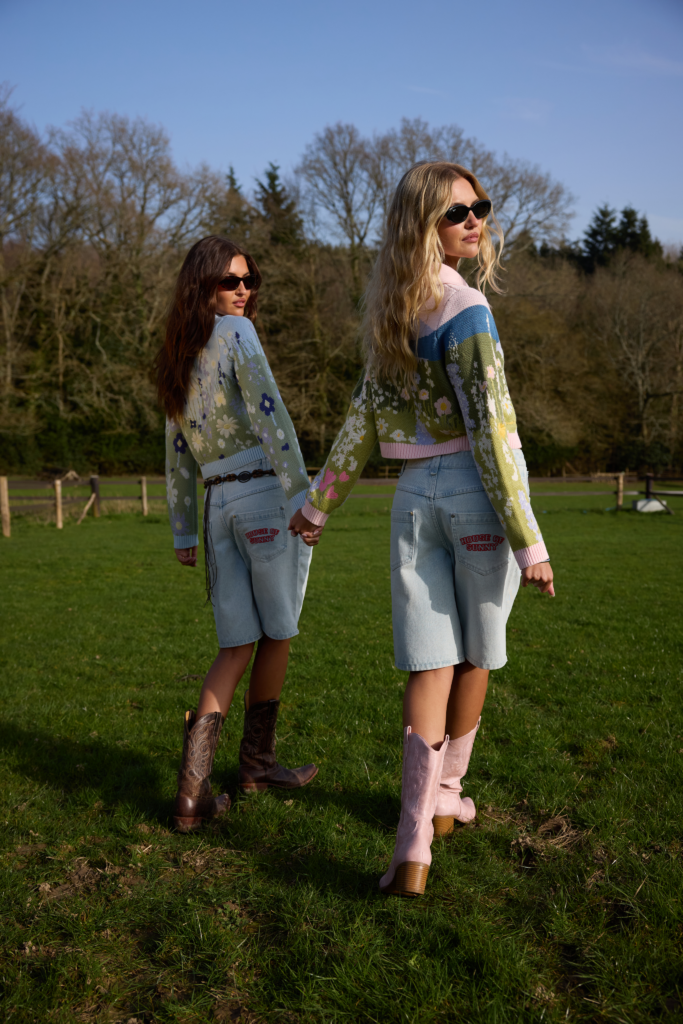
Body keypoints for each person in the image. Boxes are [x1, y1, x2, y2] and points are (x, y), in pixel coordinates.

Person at [289, 162, 554, 896]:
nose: (475, 222)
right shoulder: (467, 309)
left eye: (480, 208)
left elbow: (360, 423)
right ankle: (445, 798)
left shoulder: (391, 314)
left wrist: (318, 504)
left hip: (411, 500)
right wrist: (529, 541)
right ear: (423, 226)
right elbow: (491, 432)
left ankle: (413, 846)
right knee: (475, 656)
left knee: (427, 663)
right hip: (475, 497)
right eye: (456, 213)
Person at [156, 235, 318, 833]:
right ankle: (257, 766)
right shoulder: (237, 334)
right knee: (278, 631)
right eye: (231, 281)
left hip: (215, 505)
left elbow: (176, 454)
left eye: (250, 280)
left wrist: (182, 529)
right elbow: (272, 415)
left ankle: (191, 795)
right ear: (203, 285)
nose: (244, 290)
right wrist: (304, 498)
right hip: (262, 496)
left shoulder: (178, 354)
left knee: (234, 646)